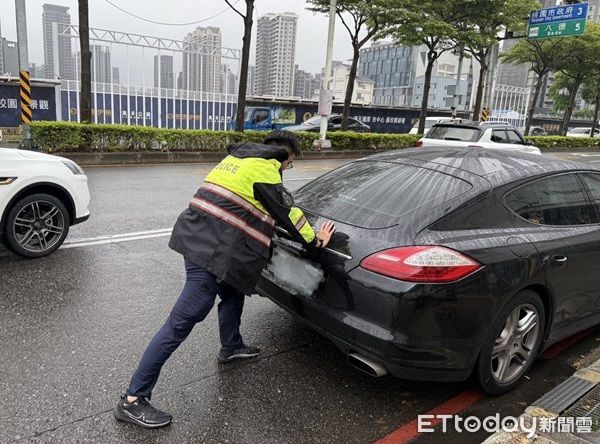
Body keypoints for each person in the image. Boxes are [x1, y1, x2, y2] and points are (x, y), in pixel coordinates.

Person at [114, 130, 336, 428]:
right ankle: (132, 399)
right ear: (283, 155)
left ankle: (231, 346)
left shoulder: (237, 159)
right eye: (290, 163)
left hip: (201, 238)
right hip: (210, 253)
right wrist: (316, 241)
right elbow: (288, 213)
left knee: (233, 291)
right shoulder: (265, 167)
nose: (287, 169)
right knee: (181, 321)